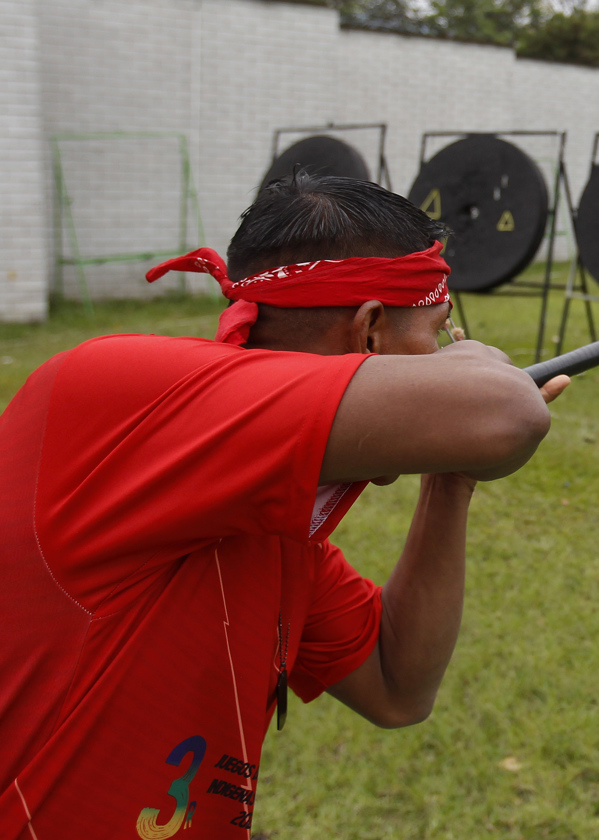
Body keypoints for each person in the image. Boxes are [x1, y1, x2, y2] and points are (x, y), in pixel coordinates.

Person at [0, 173, 569, 838]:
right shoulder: (108, 389)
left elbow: (397, 685)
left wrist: (452, 479)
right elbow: (505, 411)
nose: (446, 355)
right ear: (371, 334)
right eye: (442, 332)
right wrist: (479, 372)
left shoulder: (273, 526)